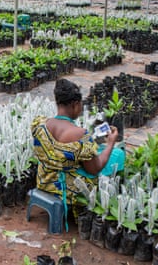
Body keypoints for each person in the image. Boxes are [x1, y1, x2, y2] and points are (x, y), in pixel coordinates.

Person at [31, 78, 125, 229]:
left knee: (97, 151)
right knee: (118, 154)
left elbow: (61, 149)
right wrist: (111, 142)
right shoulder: (80, 134)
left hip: (45, 179)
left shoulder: (42, 124)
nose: (81, 108)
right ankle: (112, 198)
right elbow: (94, 168)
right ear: (75, 104)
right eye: (81, 104)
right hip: (68, 187)